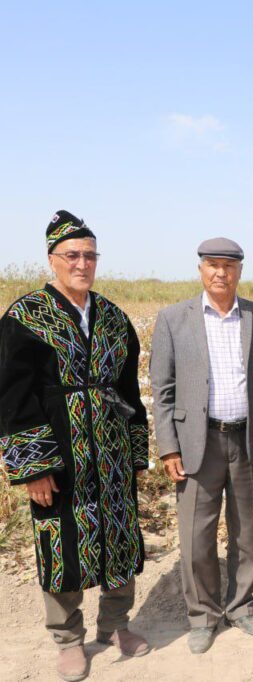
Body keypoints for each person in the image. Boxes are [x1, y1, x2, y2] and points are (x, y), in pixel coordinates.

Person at [0, 211, 151, 681]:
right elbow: (12, 397)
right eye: (72, 255)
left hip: (112, 456)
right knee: (62, 542)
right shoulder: (25, 317)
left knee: (120, 539)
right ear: (52, 259)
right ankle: (68, 639)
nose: (82, 263)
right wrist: (33, 468)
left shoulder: (113, 318)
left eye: (89, 255)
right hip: (59, 459)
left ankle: (115, 625)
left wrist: (135, 452)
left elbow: (129, 391)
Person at [149, 238, 253, 654]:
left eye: (229, 266)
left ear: (240, 271)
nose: (220, 273)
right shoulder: (174, 319)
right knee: (196, 535)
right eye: (212, 264)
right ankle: (203, 616)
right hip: (197, 442)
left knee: (247, 532)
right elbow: (162, 389)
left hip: (246, 439)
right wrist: (169, 447)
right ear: (201, 269)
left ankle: (242, 606)